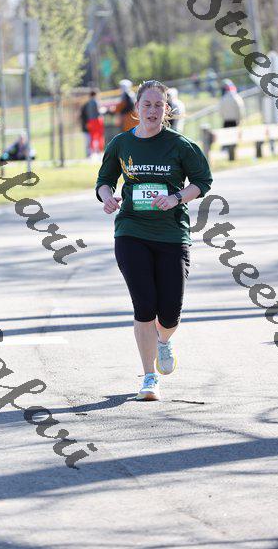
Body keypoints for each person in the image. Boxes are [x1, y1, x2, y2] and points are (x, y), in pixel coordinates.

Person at [95, 79, 212, 401]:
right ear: (137, 108)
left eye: (158, 105)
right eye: (146, 104)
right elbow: (104, 180)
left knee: (170, 312)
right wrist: (107, 197)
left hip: (172, 234)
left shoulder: (181, 145)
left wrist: (176, 198)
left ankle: (163, 340)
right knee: (144, 305)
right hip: (131, 231)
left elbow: (202, 181)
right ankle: (149, 377)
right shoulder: (121, 143)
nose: (152, 110)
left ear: (167, 109)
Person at [218, 79, 245, 154]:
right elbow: (240, 110)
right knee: (233, 138)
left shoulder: (223, 98)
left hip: (226, 121)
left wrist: (224, 116)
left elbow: (220, 111)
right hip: (234, 121)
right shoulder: (236, 97)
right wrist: (240, 119)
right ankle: (232, 153)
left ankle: (225, 150)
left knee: (226, 137)